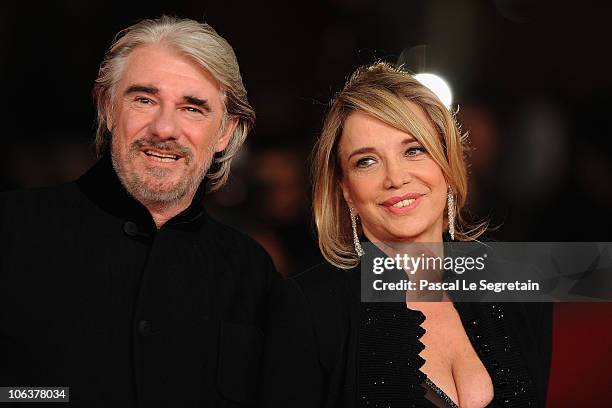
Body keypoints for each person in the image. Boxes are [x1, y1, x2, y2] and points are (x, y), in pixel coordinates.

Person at [0, 16, 278, 406]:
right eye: (144, 100)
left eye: (193, 108)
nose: (165, 129)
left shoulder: (252, 272)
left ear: (225, 133)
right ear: (108, 109)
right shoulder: (12, 229)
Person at [261, 62, 552, 407]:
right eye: (366, 161)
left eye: (414, 150)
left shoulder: (513, 282)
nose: (395, 178)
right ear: (346, 190)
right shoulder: (307, 308)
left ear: (446, 162)